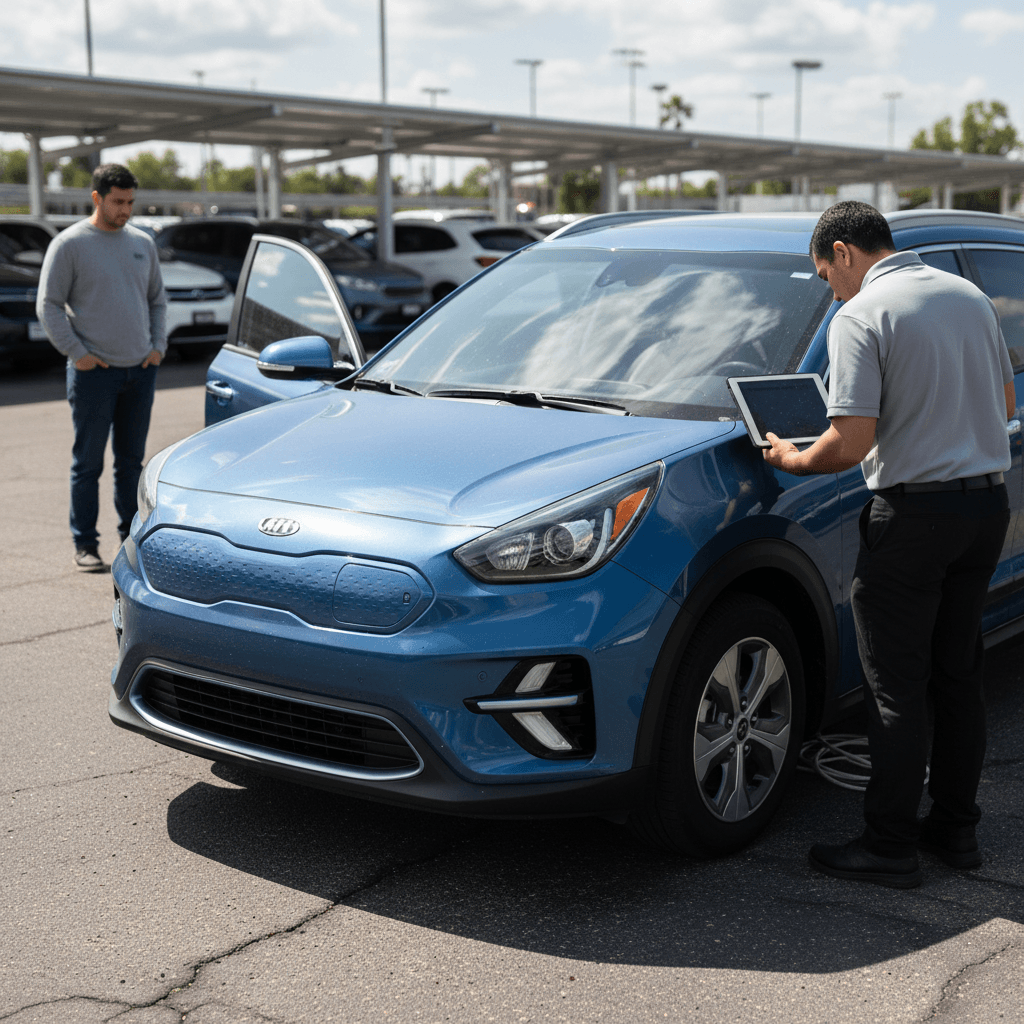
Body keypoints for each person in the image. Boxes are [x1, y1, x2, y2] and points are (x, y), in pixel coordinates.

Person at [763, 201, 1014, 889]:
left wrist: (791, 458)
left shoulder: (861, 315)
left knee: (895, 688)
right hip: (984, 508)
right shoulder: (969, 296)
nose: (831, 292)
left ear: (843, 252)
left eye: (826, 276)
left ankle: (889, 845)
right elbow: (1005, 405)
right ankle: (956, 831)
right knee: (957, 676)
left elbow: (849, 442)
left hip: (912, 518)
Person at [37, 163, 167, 572]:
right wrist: (77, 353)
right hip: (94, 374)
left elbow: (157, 301)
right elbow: (48, 306)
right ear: (97, 198)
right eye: (118, 202)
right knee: (88, 465)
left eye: (131, 202)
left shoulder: (143, 243)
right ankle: (85, 544)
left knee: (131, 465)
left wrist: (158, 347)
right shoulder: (69, 244)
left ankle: (130, 541)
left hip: (140, 370)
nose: (125, 210)